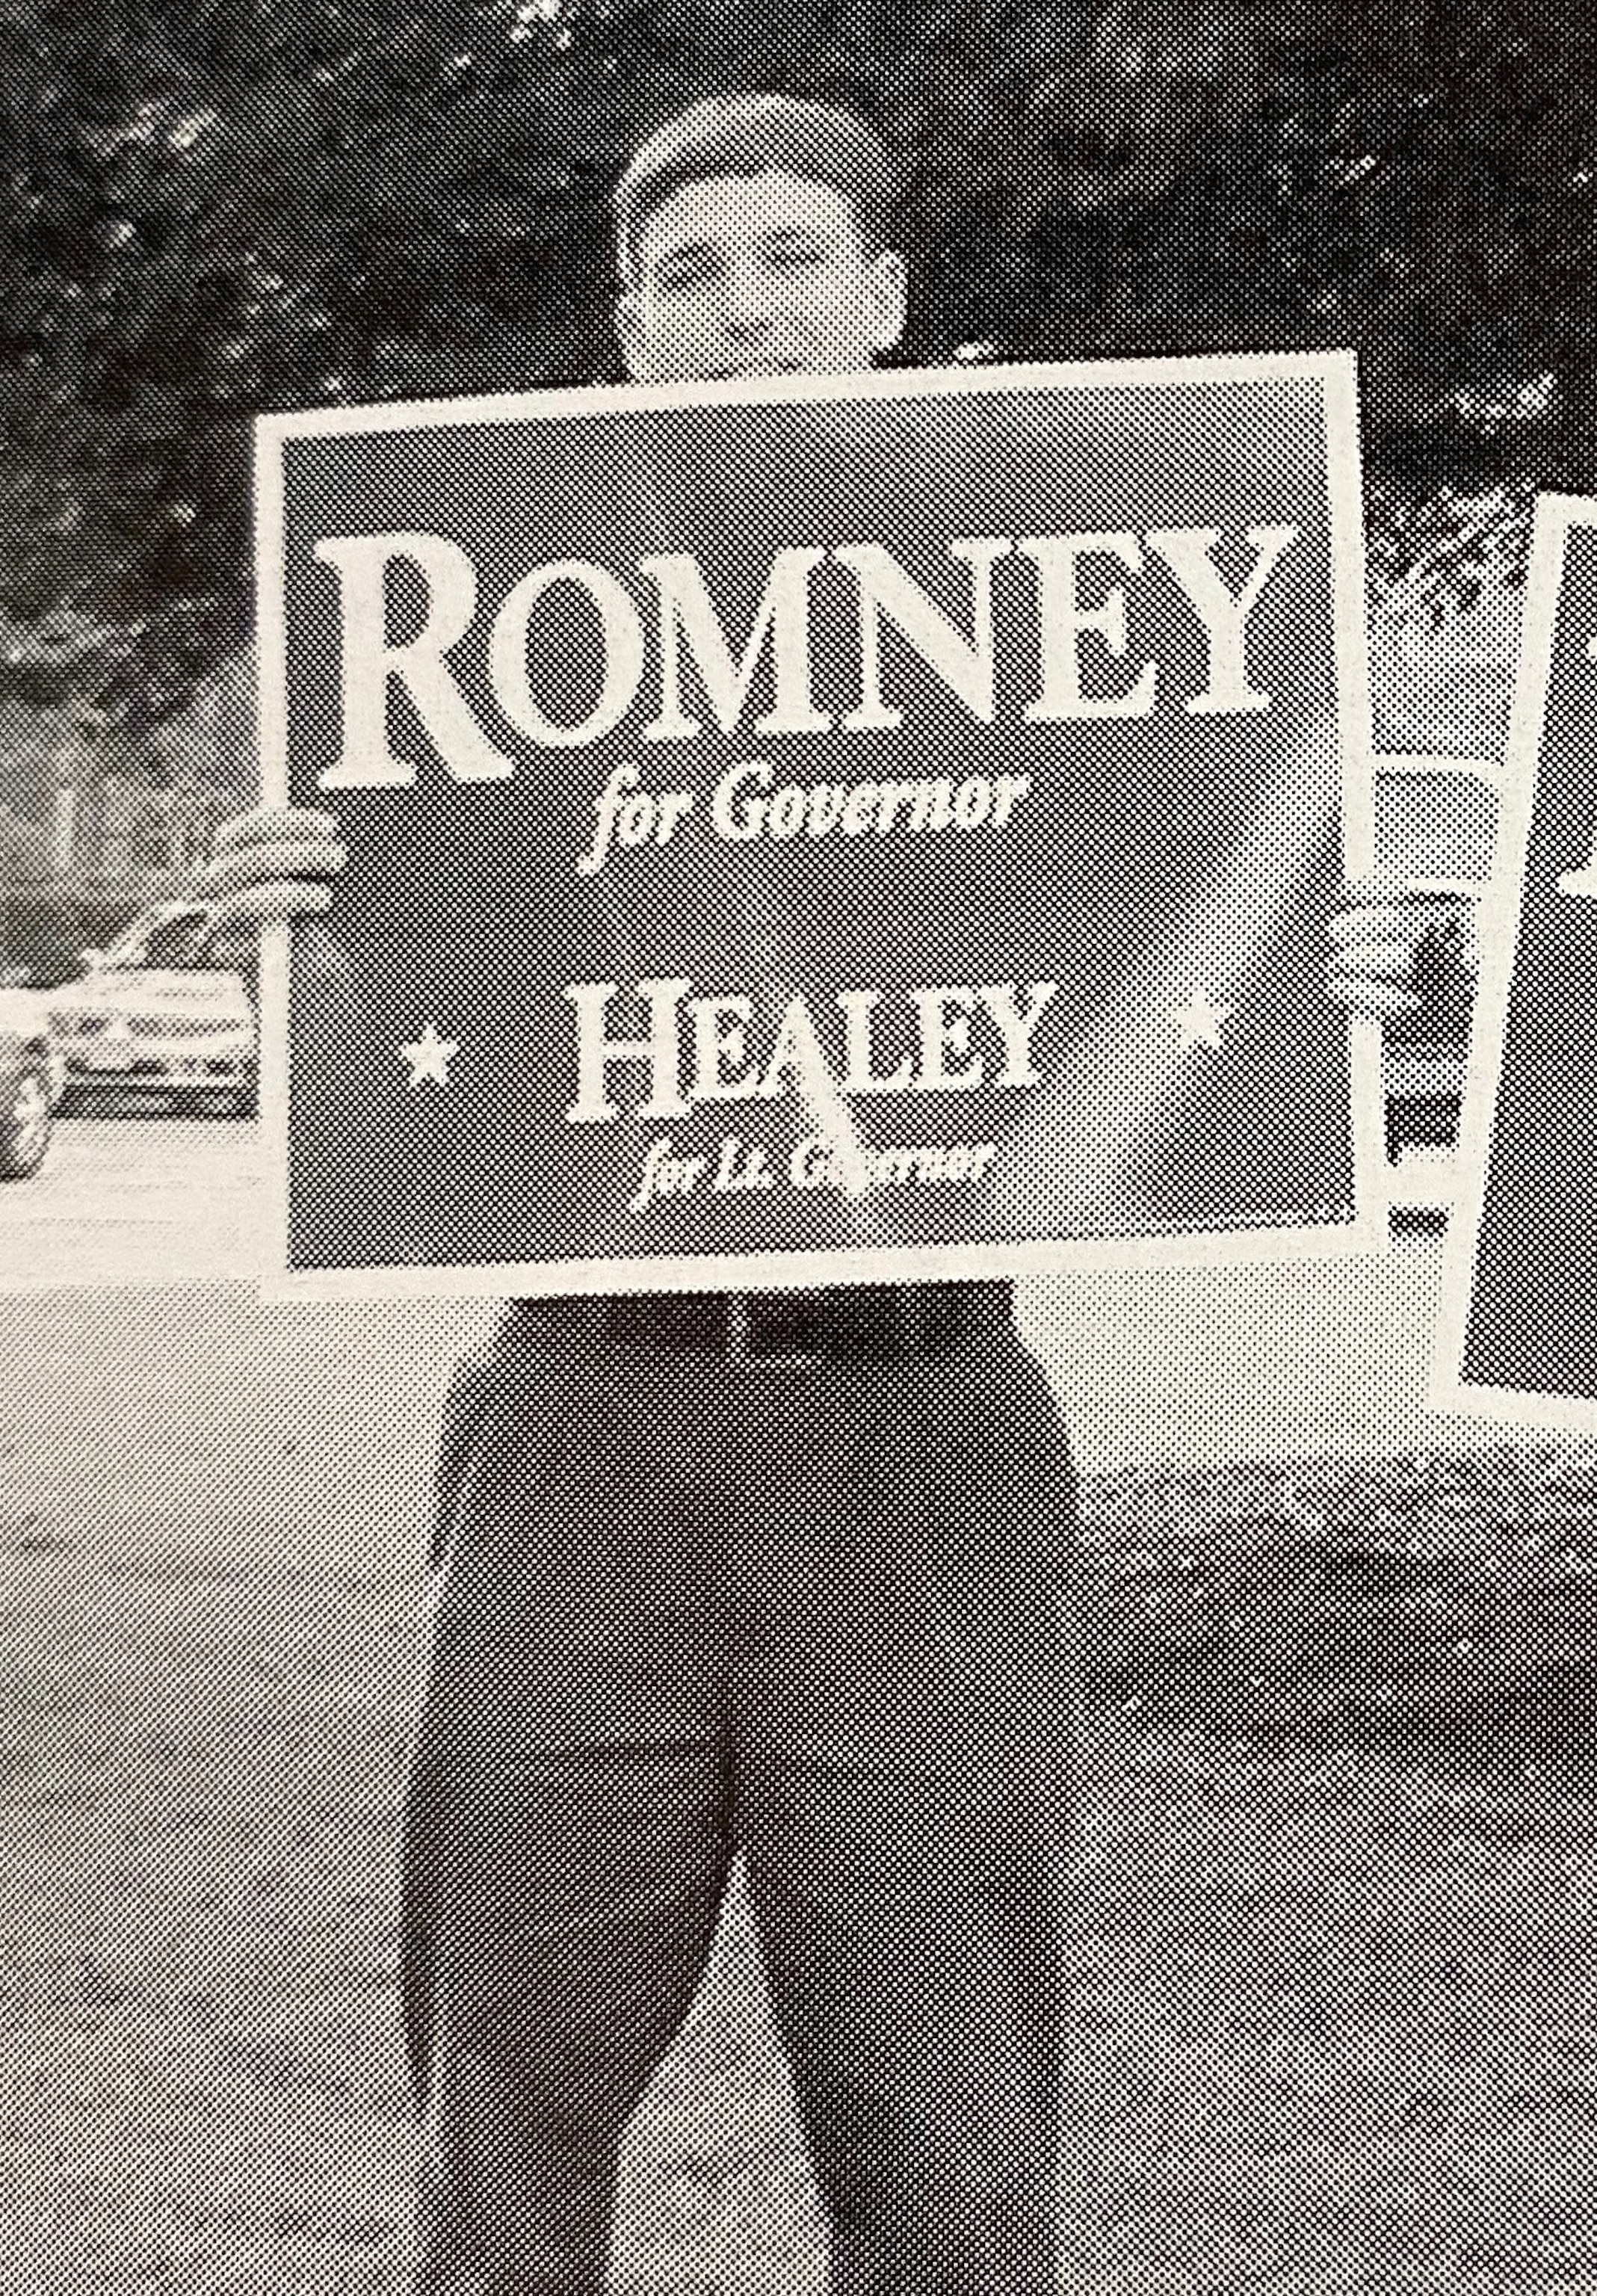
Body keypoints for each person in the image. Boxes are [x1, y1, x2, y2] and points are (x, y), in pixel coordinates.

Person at [206, 93, 1461, 2295]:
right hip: (578, 1434)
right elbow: (415, 1075)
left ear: (882, 301)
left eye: (791, 258)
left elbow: (1226, 954)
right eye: (687, 279)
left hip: (924, 1441)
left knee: (949, 2145)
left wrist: (1360, 970)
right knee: (502, 2125)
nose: (743, 310)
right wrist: (302, 921)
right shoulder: (471, 617)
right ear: (624, 334)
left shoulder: (1068, 616)